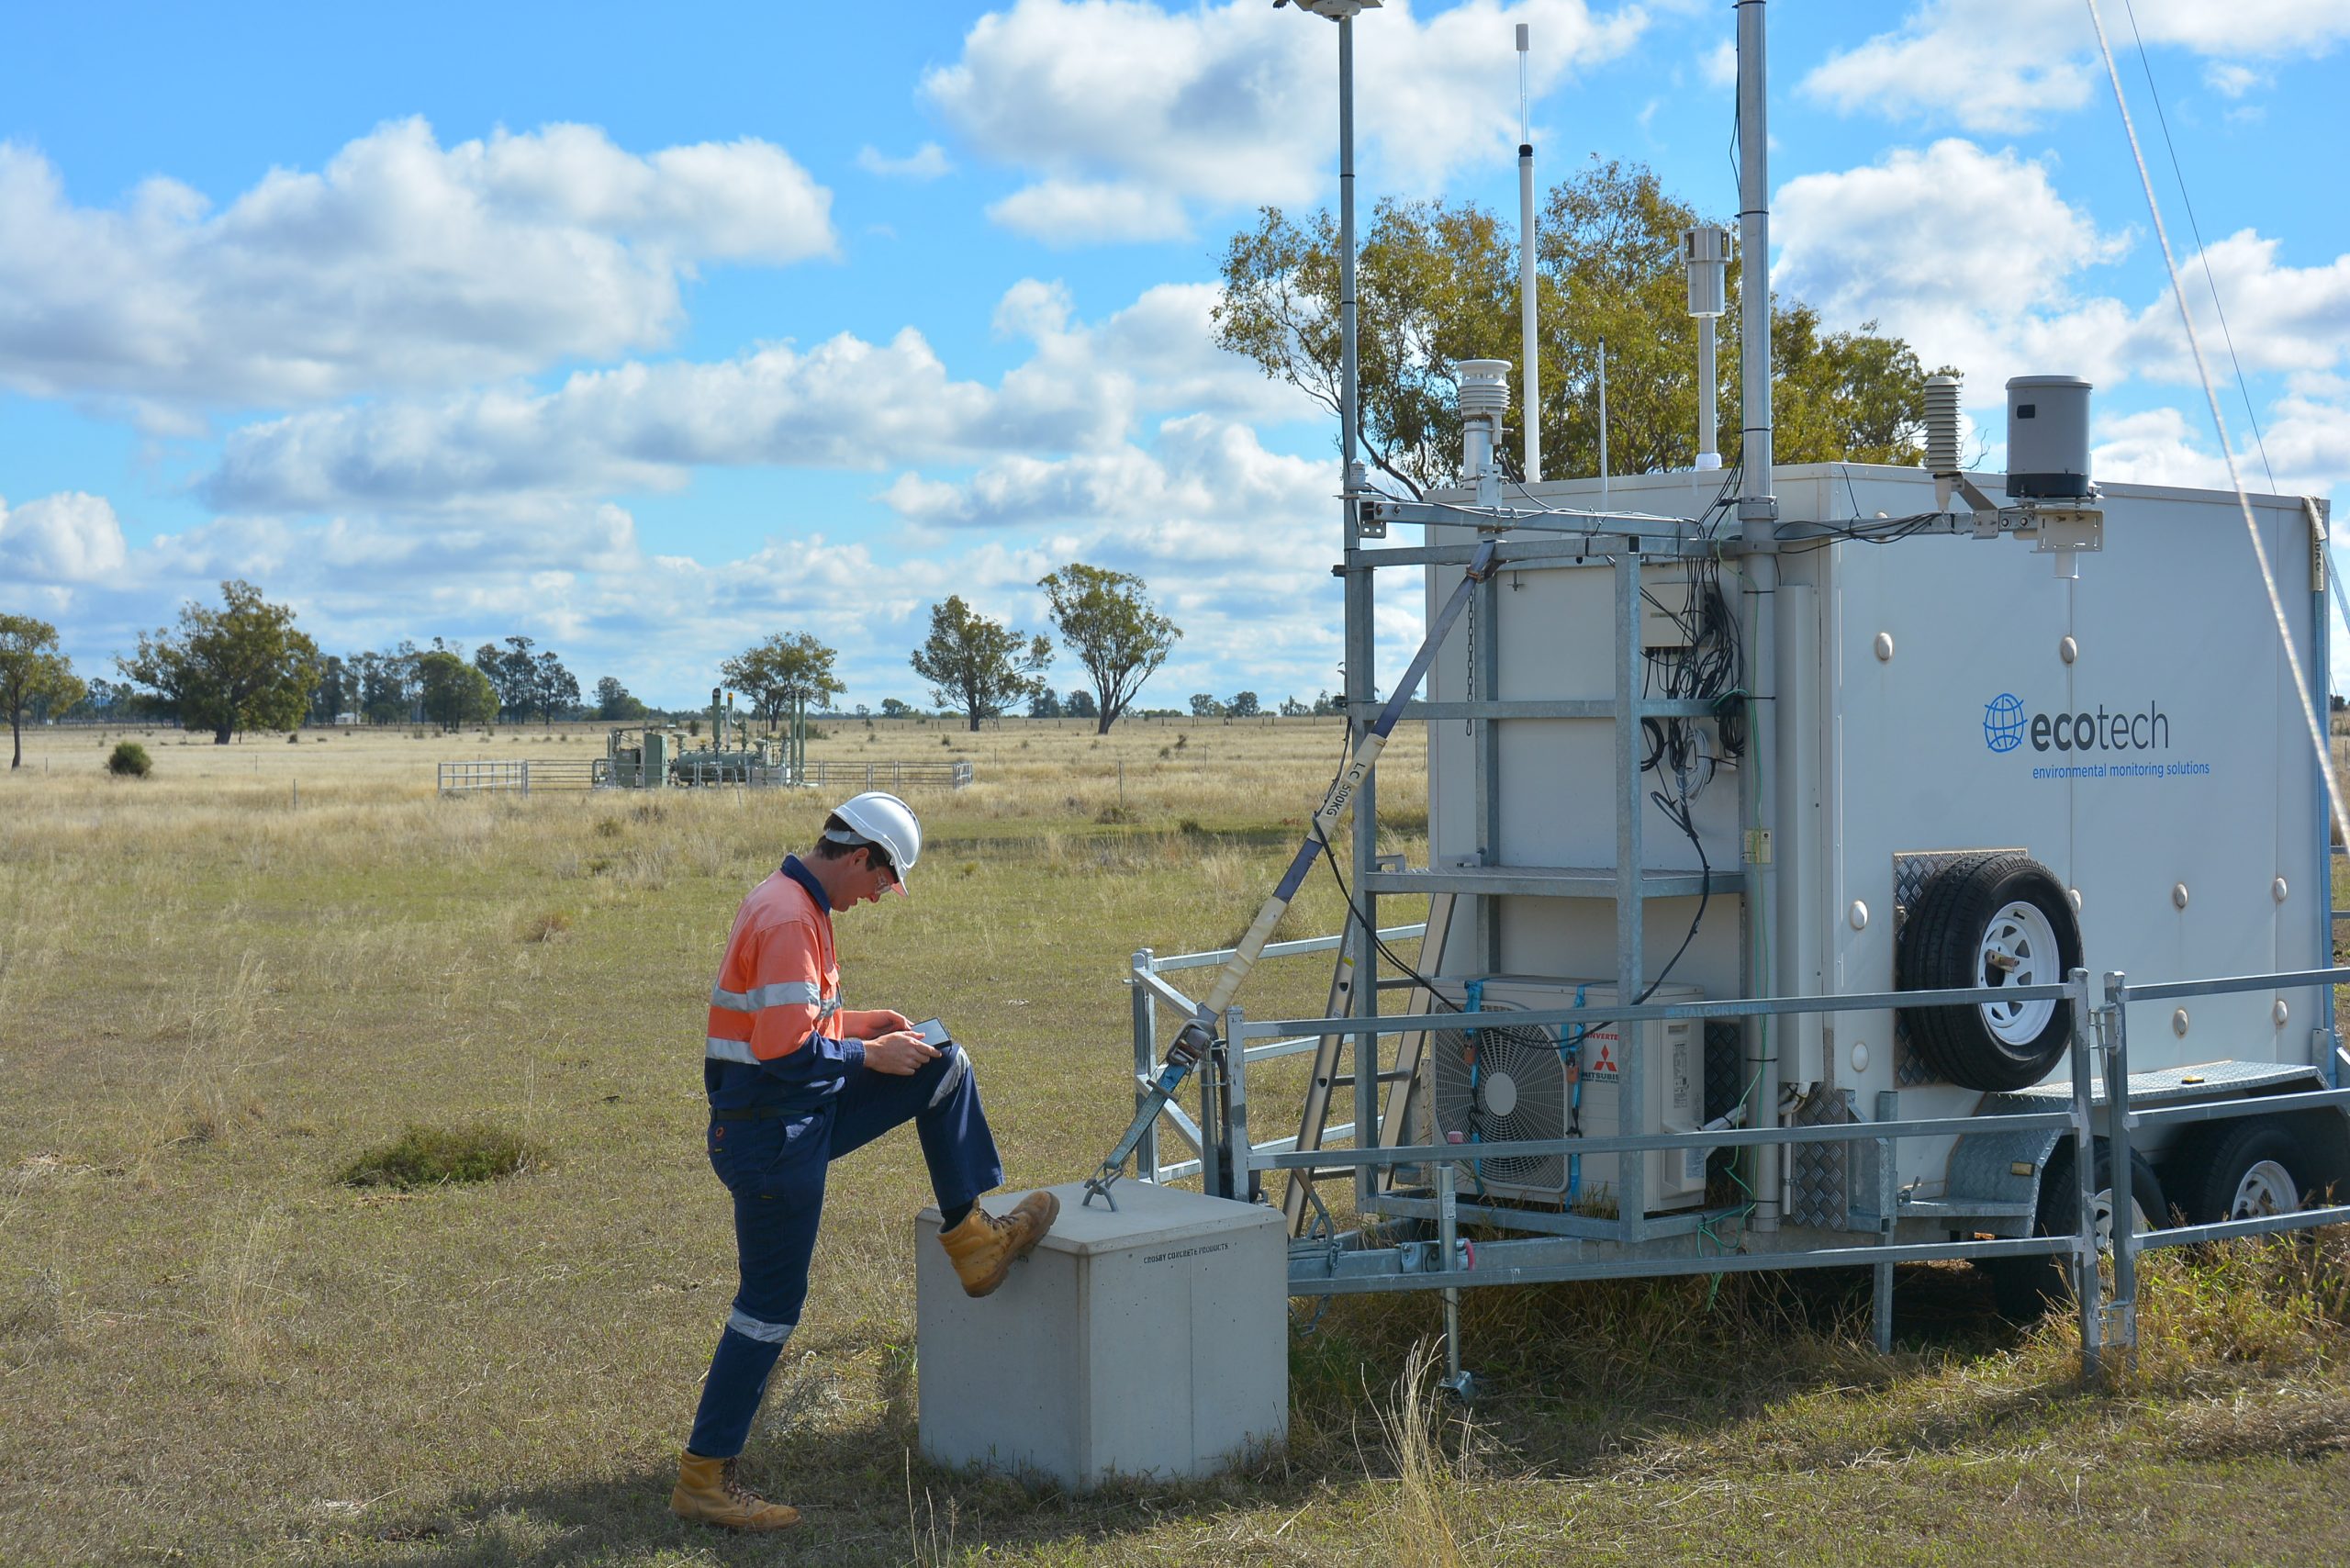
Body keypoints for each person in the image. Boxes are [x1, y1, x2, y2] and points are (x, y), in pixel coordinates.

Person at [670, 790, 1058, 1531]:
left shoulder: (793, 902)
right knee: (767, 1312)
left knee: (943, 1064)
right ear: (858, 856)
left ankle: (975, 1243)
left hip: (782, 1116)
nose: (881, 895)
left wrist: (861, 1024)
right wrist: (868, 1053)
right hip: (771, 1133)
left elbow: (796, 1024)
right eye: (883, 880)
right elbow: (784, 1050)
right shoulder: (790, 917)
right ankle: (703, 1480)